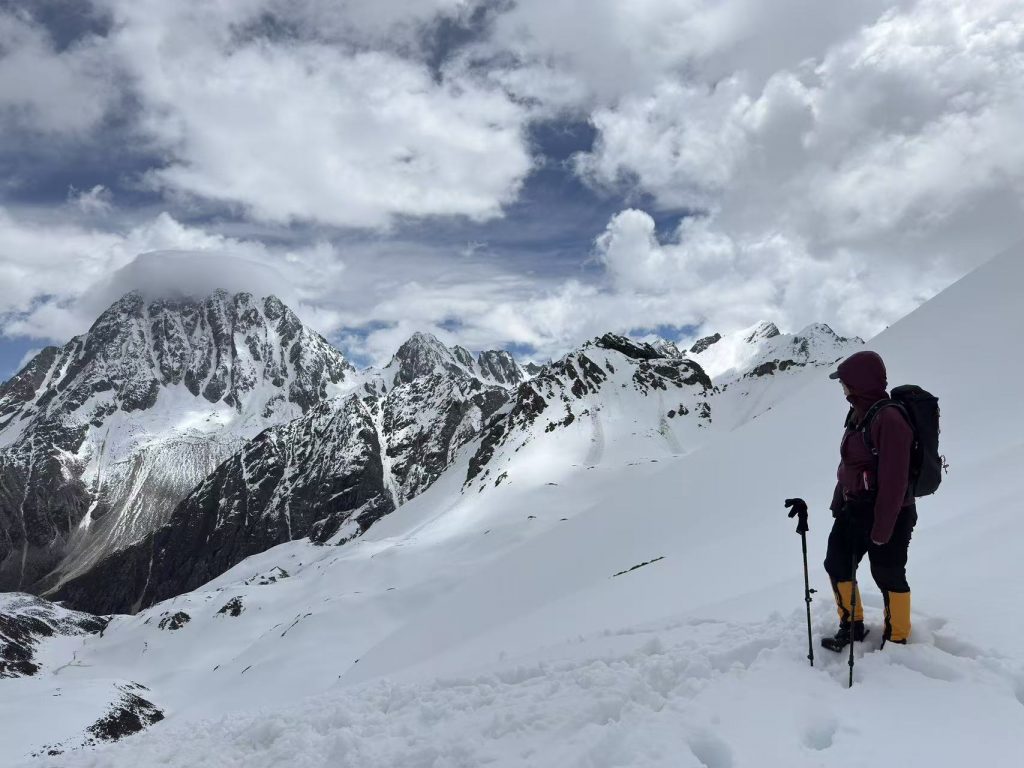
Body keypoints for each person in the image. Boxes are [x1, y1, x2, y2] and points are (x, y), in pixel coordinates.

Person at [822, 350, 916, 651]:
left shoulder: (889, 418)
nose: (842, 387)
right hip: (855, 508)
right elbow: (849, 464)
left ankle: (898, 637)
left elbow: (895, 479)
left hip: (890, 512)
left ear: (860, 381)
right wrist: (840, 499)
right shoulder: (857, 413)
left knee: (887, 572)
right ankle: (851, 625)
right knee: (837, 563)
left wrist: (882, 527)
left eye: (845, 381)